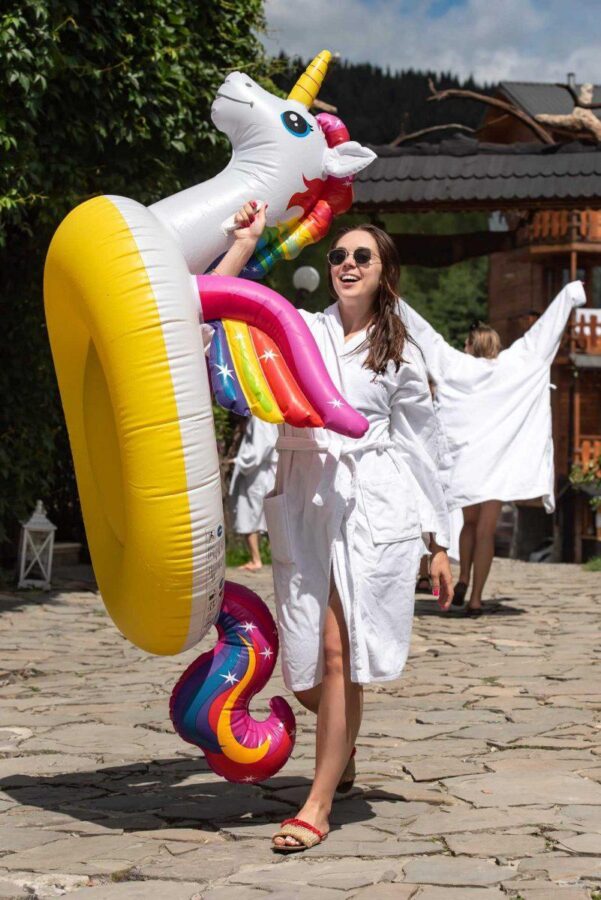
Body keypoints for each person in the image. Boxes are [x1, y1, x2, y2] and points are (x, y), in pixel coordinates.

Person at [212, 201, 453, 852]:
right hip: (303, 500)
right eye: (339, 255)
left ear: (385, 272)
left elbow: (422, 448)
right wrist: (246, 243)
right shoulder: (300, 328)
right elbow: (218, 309)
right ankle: (340, 747)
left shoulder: (399, 355)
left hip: (369, 505)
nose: (346, 264)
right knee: (306, 672)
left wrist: (438, 542)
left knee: (340, 653)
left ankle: (316, 805)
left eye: (361, 257)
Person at [399, 282, 586, 615]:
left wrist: (394, 302)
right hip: (497, 468)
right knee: (486, 531)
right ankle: (475, 598)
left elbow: (426, 336)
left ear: (471, 345)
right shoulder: (513, 366)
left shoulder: (456, 366)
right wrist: (569, 294)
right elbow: (542, 334)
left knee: (469, 526)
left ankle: (463, 578)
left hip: (467, 465)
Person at [229, 417, 278, 571]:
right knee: (263, 515)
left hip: (256, 474)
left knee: (248, 512)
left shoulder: (259, 418)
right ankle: (266, 557)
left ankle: (256, 559)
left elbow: (258, 450)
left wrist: (238, 460)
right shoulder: (268, 415)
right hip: (263, 472)